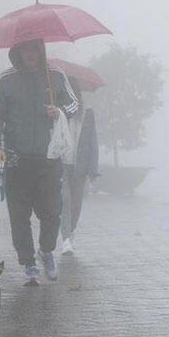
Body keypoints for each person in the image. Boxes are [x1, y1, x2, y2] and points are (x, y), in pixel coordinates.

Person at [0, 38, 79, 284]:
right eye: (24, 50)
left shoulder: (56, 76)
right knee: (19, 215)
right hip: (16, 159)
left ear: (40, 50)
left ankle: (46, 250)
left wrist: (59, 111)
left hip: (49, 158)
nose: (29, 54)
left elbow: (73, 103)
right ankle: (29, 263)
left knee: (51, 211)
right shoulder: (5, 80)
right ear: (16, 52)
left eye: (33, 49)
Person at [59, 79, 99, 256]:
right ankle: (66, 238)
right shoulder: (59, 113)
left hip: (80, 166)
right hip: (61, 164)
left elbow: (92, 142)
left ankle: (71, 231)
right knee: (65, 199)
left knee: (76, 203)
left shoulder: (87, 114)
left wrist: (93, 169)